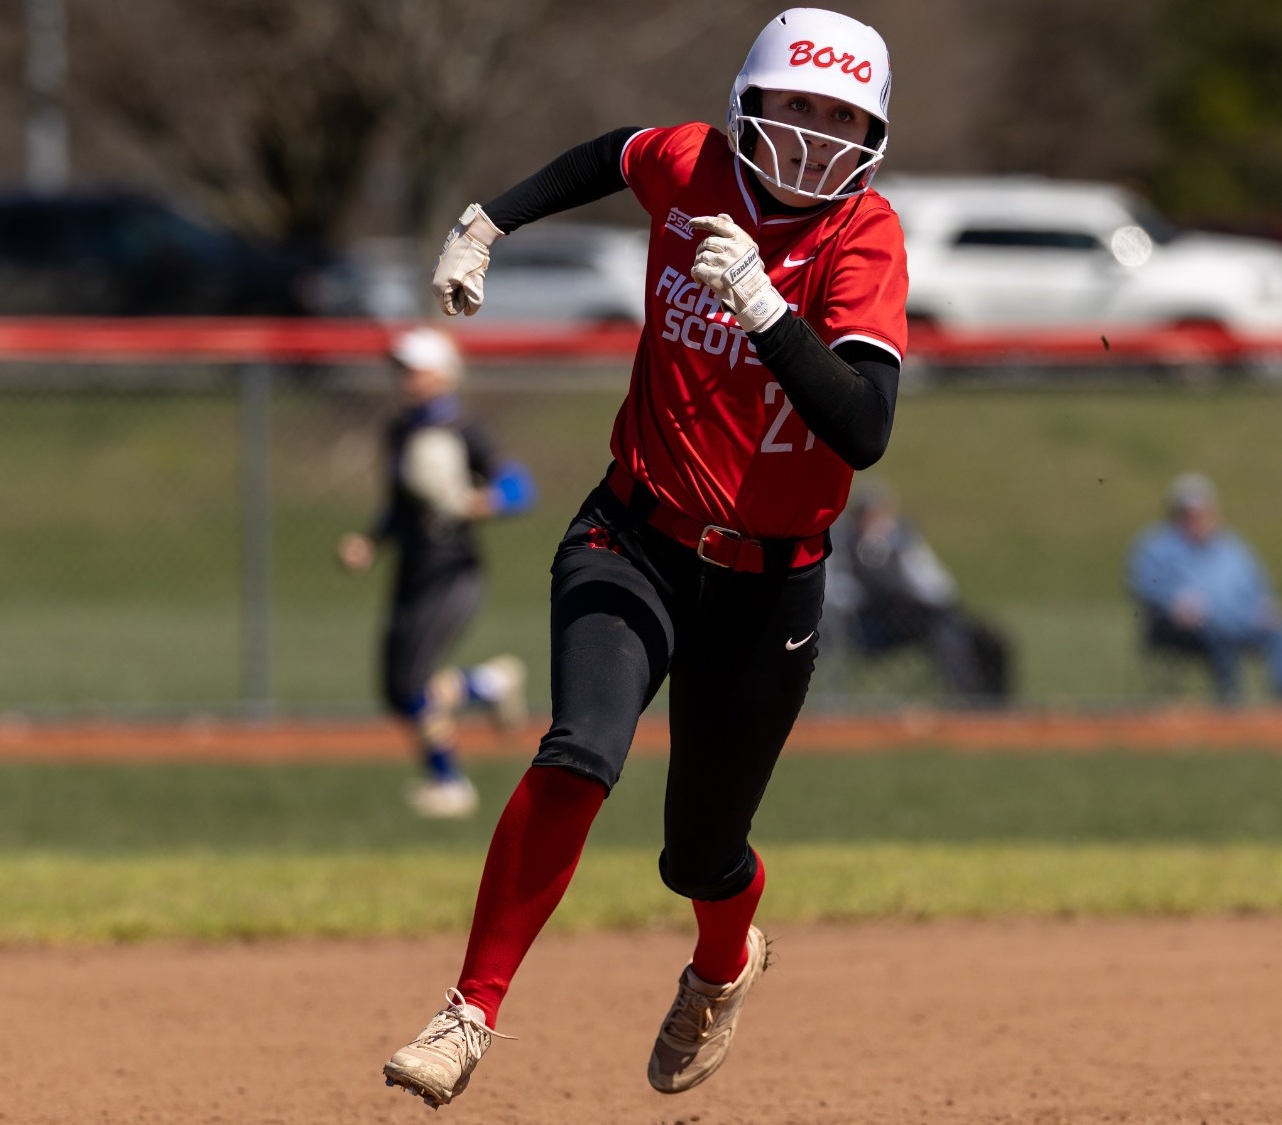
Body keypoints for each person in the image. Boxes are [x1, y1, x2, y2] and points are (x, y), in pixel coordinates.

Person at [382, 8, 907, 1109]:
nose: (814, 134)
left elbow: (862, 426)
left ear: (872, 136)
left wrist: (767, 310)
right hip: (632, 533)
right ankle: (467, 1010)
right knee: (579, 749)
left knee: (699, 856)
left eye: (840, 117)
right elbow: (611, 150)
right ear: (748, 105)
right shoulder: (695, 165)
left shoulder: (863, 237)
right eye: (798, 106)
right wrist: (490, 221)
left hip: (768, 581)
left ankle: (724, 960)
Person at [337, 325, 536, 819]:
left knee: (412, 682)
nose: (404, 378)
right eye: (399, 368)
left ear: (443, 375)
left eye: (414, 368)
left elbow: (520, 488)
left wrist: (482, 502)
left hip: (453, 572)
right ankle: (489, 685)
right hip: (413, 568)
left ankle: (449, 784)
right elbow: (401, 507)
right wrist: (370, 540)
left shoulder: (462, 429)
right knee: (395, 691)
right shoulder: (399, 429)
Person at [1124, 473, 1282, 704]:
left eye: (1201, 512)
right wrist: (1172, 602)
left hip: (1237, 620)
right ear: (1175, 514)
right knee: (1217, 631)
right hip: (1183, 627)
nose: (1196, 519)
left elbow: (1257, 589)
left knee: (1280, 630)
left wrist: (1266, 605)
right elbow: (1142, 585)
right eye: (1188, 514)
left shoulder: (1232, 548)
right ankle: (1230, 699)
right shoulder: (1156, 547)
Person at [824, 483, 1011, 703]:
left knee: (988, 637)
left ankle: (993, 701)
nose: (873, 520)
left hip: (916, 617)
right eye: (866, 514)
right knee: (945, 629)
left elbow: (934, 583)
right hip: (869, 625)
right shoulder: (843, 544)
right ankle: (971, 698)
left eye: (878, 513)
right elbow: (837, 589)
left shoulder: (902, 542)